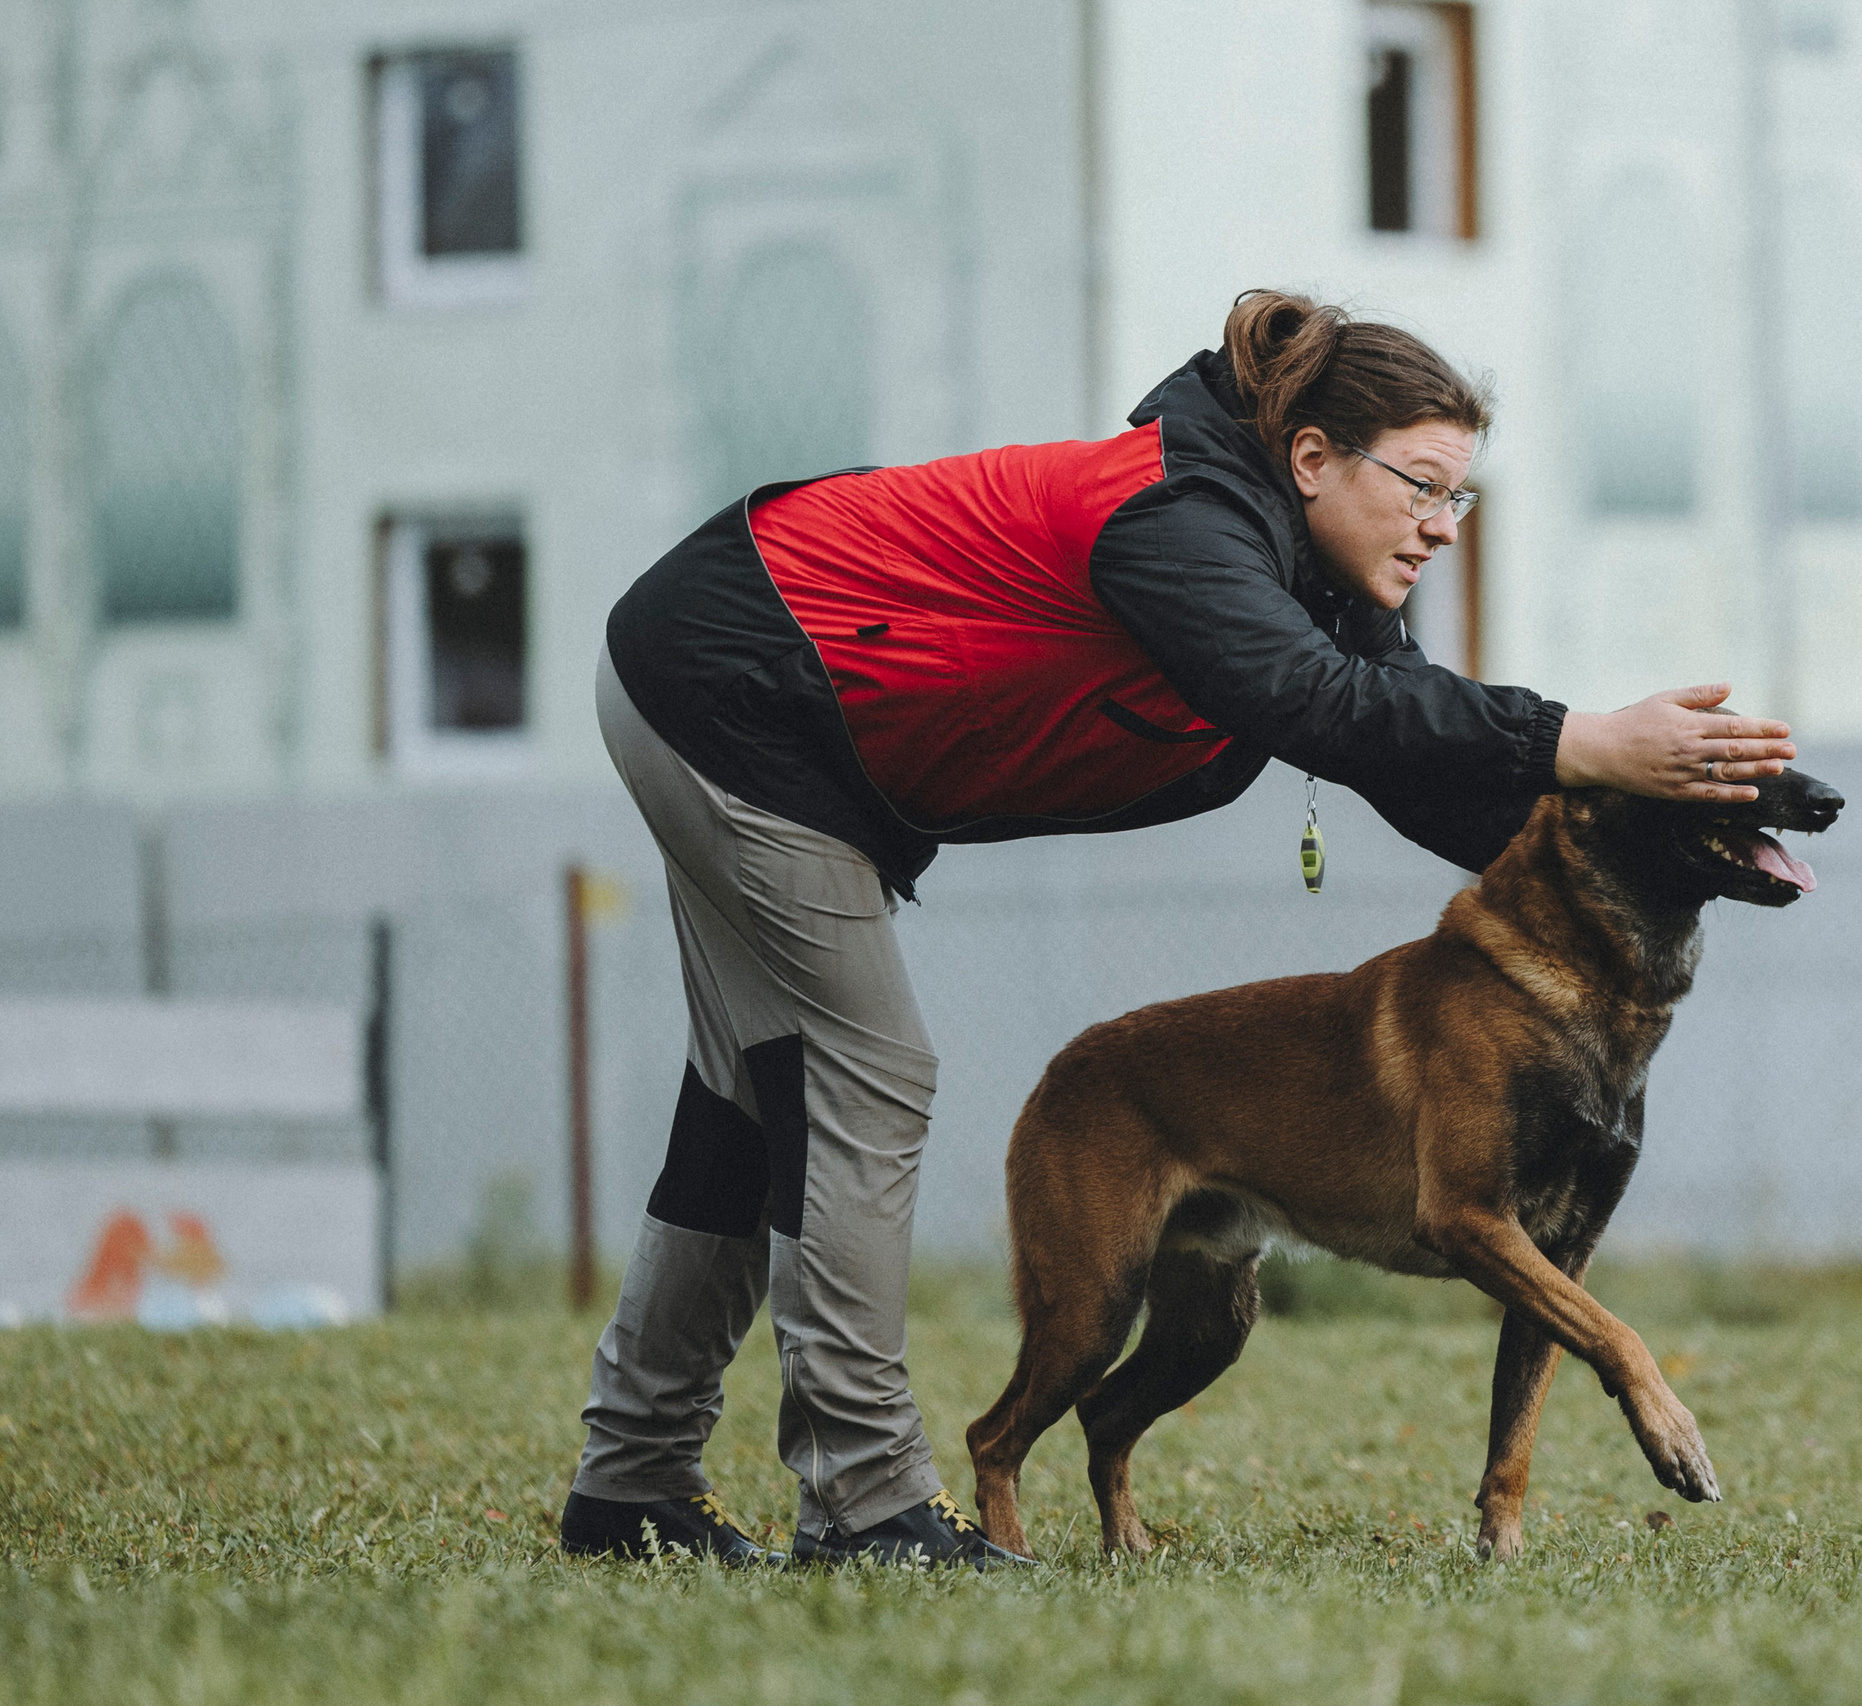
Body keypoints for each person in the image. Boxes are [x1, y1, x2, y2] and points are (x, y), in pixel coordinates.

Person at [557, 289, 1797, 1568]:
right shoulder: (1181, 518)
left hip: (752, 697)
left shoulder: (1311, 569)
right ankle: (865, 1505)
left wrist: (1642, 836)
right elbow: (1313, 703)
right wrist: (1580, 732)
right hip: (738, 677)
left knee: (752, 1099)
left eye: (1461, 499)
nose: (1441, 527)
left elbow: (1424, 752)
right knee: (860, 1079)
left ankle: (630, 1484)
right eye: (1422, 485)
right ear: (1311, 456)